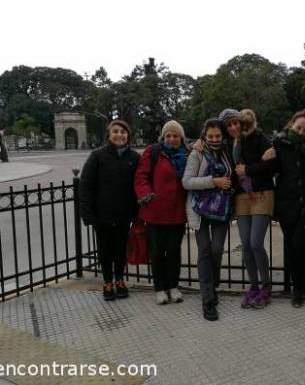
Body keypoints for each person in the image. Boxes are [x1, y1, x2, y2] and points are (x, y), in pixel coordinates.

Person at [80, 119, 140, 301]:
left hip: (124, 214)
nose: (119, 135)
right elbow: (85, 186)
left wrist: (137, 212)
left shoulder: (135, 158)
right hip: (102, 214)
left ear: (128, 135)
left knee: (121, 249)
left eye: (123, 132)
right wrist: (87, 214)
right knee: (105, 250)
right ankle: (107, 282)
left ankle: (120, 280)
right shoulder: (97, 156)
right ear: (109, 135)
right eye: (116, 131)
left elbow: (139, 185)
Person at [265, 109, 305, 307]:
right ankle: (299, 288)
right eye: (299, 128)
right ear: (292, 124)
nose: (301, 132)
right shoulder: (279, 143)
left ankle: (304, 283)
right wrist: (268, 158)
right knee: (292, 246)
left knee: (302, 245)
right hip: (286, 203)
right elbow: (272, 169)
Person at [182, 118, 234, 321]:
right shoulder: (197, 152)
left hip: (222, 209)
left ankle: (212, 284)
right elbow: (186, 181)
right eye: (210, 136)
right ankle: (208, 299)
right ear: (204, 135)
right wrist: (214, 181)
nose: (214, 139)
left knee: (217, 249)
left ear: (223, 136)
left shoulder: (229, 152)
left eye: (218, 136)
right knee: (204, 250)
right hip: (200, 209)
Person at [134, 120, 187, 305]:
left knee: (173, 251)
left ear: (181, 138)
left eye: (175, 136)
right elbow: (141, 176)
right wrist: (146, 195)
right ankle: (160, 288)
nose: (171, 139)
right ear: (163, 137)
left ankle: (173, 285)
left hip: (178, 212)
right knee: (157, 251)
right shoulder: (154, 152)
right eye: (168, 136)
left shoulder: (187, 154)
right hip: (155, 211)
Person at [234, 109, 275, 308]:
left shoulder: (262, 139)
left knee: (255, 242)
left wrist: (248, 169)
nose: (244, 128)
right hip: (242, 195)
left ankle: (265, 286)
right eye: (242, 125)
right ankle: (253, 285)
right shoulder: (234, 142)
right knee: (246, 245)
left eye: (248, 125)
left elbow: (272, 165)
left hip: (262, 194)